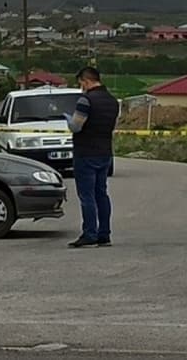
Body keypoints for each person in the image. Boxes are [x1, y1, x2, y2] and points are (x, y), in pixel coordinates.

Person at [63, 66, 119, 248]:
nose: (81, 87)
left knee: (87, 196)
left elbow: (76, 126)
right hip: (105, 152)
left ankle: (89, 233)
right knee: (101, 194)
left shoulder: (85, 101)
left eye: (81, 84)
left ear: (86, 81)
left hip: (85, 153)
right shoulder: (112, 101)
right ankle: (104, 234)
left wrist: (68, 119)